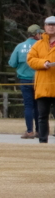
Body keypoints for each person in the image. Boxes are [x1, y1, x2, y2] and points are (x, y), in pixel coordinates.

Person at [8, 24, 43, 139]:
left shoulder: (20, 46)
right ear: (36, 34)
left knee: (28, 106)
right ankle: (39, 130)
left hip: (24, 79)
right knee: (39, 105)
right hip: (39, 79)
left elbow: (12, 63)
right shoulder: (41, 46)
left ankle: (29, 131)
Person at [26, 16, 55, 144]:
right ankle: (43, 141)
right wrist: (44, 63)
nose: (51, 27)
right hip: (43, 85)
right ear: (44, 27)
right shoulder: (38, 44)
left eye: (53, 25)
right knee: (42, 116)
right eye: (49, 24)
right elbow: (31, 60)